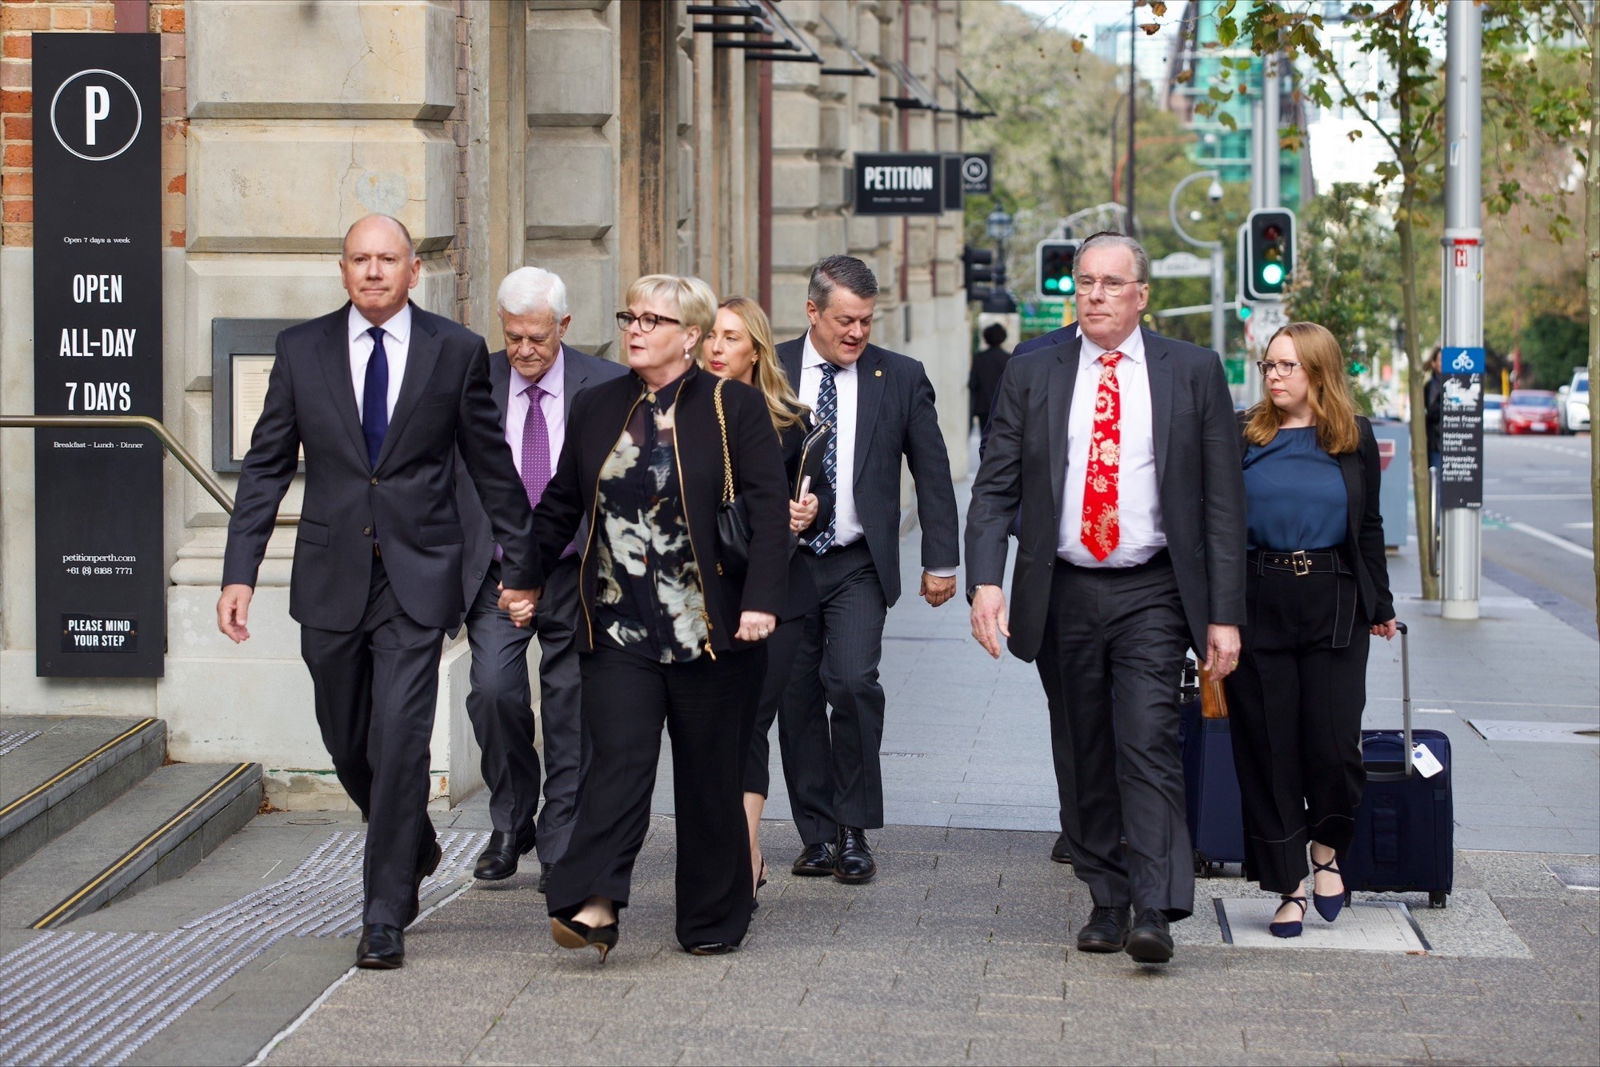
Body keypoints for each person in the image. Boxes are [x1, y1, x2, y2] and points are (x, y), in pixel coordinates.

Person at [217, 214, 542, 970]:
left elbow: (493, 467)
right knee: (347, 739)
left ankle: (384, 909)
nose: (372, 271)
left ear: (410, 270)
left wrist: (521, 568)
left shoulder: (453, 352)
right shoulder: (301, 351)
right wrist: (240, 571)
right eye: (359, 259)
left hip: (417, 579)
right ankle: (416, 841)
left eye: (386, 258)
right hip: (330, 578)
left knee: (400, 741)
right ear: (342, 270)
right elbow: (266, 465)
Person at [965, 231, 1246, 965]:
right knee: (1083, 745)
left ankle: (1154, 904)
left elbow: (1222, 501)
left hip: (1153, 586)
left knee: (1146, 737)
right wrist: (986, 578)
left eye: (1111, 283)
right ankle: (1107, 896)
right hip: (1062, 588)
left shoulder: (1192, 371)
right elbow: (995, 485)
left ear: (1141, 295)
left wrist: (1224, 614)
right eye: (1085, 282)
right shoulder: (1034, 372)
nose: (1093, 294)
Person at [534, 275, 790, 961]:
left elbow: (767, 510)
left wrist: (763, 598)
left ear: (692, 337)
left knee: (709, 776)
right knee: (617, 761)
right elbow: (562, 502)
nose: (636, 329)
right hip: (619, 625)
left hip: (711, 629)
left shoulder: (732, 406)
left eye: (654, 319)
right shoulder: (596, 407)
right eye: (630, 316)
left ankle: (711, 916)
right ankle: (594, 902)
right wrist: (521, 579)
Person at [775, 255, 961, 886]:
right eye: (844, 321)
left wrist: (942, 560)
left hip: (857, 561)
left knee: (852, 685)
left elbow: (933, 472)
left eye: (865, 322)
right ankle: (817, 834)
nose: (856, 333)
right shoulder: (767, 368)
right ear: (812, 312)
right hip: (786, 565)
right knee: (795, 698)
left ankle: (855, 830)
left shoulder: (899, 376)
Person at [1225, 322, 1398, 939]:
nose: (1274, 376)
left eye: (1287, 366)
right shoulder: (1243, 434)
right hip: (1257, 598)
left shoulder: (1352, 438)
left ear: (1319, 372)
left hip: (1335, 603)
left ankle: (1327, 850)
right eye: (1269, 365)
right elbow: (1216, 521)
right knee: (1269, 749)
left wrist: (1381, 603)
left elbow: (1368, 526)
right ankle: (1288, 886)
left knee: (1331, 745)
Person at [456, 267, 627, 889]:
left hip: (575, 572)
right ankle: (511, 819)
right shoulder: (476, 382)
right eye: (513, 337)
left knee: (569, 707)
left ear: (565, 326)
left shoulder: (606, 384)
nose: (524, 351)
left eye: (538, 338)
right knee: (494, 692)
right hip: (499, 575)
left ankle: (560, 835)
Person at [703, 296, 828, 902]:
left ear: (755, 347)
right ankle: (732, 851)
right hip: (709, 594)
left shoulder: (790, 420)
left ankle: (746, 852)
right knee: (722, 726)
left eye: (730, 337)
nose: (717, 347)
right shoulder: (685, 415)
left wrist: (808, 509)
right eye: (710, 336)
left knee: (753, 720)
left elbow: (818, 492)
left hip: (778, 594)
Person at [969, 321, 1012, 436]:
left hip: (983, 407)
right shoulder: (1009, 359)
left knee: (985, 440)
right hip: (1003, 408)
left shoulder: (979, 358)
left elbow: (972, 383)